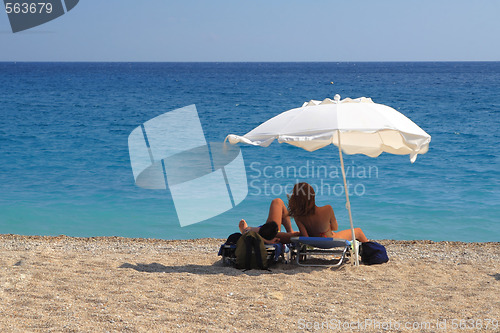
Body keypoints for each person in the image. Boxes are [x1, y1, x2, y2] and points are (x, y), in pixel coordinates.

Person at [288, 182, 368, 242]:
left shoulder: (297, 216)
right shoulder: (327, 209)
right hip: (331, 240)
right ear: (313, 196)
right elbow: (335, 228)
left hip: (314, 242)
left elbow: (306, 237)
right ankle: (372, 252)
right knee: (358, 231)